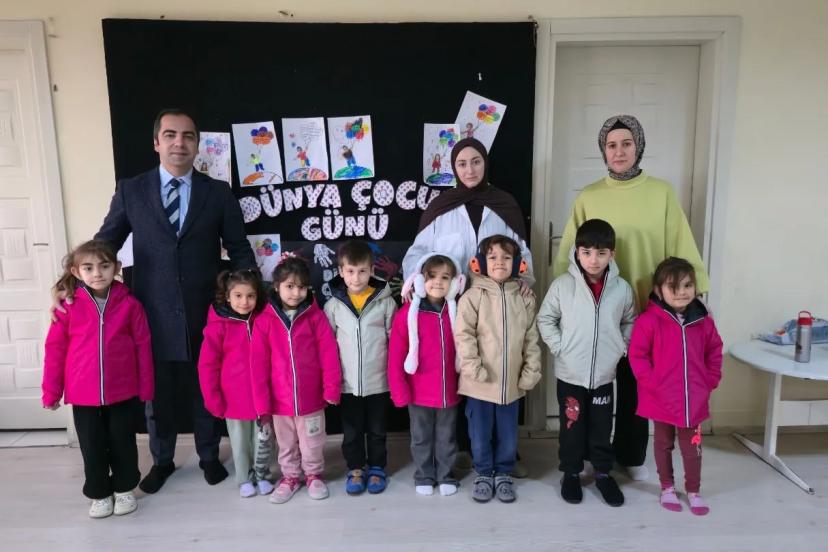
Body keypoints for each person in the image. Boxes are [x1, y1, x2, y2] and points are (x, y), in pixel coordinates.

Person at [83, 108, 256, 494]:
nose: (180, 142)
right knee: (156, 395)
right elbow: (104, 244)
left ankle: (209, 456)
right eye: (171, 135)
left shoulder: (217, 193)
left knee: (205, 386)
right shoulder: (132, 190)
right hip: (150, 313)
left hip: (207, 312)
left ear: (197, 144)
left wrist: (253, 297)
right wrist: (73, 285)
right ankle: (162, 460)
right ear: (156, 142)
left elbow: (240, 248)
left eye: (188, 136)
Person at [552, 114, 709, 481]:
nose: (619, 151)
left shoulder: (661, 193)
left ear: (638, 147)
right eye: (611, 145)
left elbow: (681, 245)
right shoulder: (589, 196)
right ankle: (588, 453)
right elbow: (569, 253)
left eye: (626, 144)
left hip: (649, 309)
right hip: (598, 309)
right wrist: (563, 301)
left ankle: (630, 455)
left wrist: (692, 290)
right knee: (593, 385)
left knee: (637, 385)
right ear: (603, 151)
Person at [402, 137, 534, 476]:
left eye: (476, 161)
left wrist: (523, 280)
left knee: (496, 374)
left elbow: (521, 253)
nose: (470, 169)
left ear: (485, 164)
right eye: (462, 163)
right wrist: (419, 283)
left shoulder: (504, 204)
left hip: (496, 309)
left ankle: (503, 453)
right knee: (457, 376)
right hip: (448, 310)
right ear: (453, 168)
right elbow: (417, 255)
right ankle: (462, 449)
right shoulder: (440, 207)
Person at [42, 240, 154, 518]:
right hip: (83, 394)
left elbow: (143, 346)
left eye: (104, 266)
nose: (97, 273)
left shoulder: (130, 305)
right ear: (76, 271)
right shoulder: (67, 307)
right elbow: (55, 351)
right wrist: (51, 391)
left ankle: (124, 489)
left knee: (123, 443)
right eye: (89, 268)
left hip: (122, 391)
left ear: (116, 267)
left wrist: (146, 387)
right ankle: (99, 493)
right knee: (92, 446)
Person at [537, 220, 636, 507]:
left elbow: (630, 320)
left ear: (612, 255)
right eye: (587, 252)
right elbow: (546, 319)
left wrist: (621, 347)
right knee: (572, 427)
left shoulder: (621, 289)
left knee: (602, 427)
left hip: (604, 374)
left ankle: (603, 472)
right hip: (570, 374)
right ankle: (571, 472)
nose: (594, 260)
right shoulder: (562, 286)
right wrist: (560, 348)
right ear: (577, 252)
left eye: (601, 253)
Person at [628, 257, 723, 516]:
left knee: (692, 448)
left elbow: (715, 350)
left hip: (693, 399)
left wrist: (711, 379)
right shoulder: (649, 321)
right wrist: (653, 383)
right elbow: (637, 355)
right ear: (658, 290)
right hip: (661, 399)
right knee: (663, 444)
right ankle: (667, 487)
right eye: (673, 287)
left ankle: (693, 491)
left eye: (688, 285)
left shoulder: (703, 321)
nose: (682, 292)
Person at [454, 235, 542, 503]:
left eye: (506, 257)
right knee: (479, 434)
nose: (499, 262)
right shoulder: (472, 296)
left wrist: (531, 370)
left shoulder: (524, 298)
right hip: (479, 383)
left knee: (508, 434)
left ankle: (503, 472)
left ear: (518, 263)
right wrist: (473, 368)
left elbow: (531, 338)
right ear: (480, 263)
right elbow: (464, 335)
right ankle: (483, 472)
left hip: (511, 385)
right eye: (492, 257)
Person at [250, 257, 342, 504]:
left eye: (301, 287)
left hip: (311, 399)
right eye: (289, 286)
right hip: (279, 402)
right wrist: (262, 404)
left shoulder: (315, 317)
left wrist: (331, 388)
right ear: (276, 286)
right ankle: (290, 477)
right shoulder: (264, 321)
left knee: (313, 442)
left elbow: (329, 354)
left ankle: (314, 475)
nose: (296, 293)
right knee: (286, 444)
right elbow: (258, 366)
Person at [323, 240, 397, 495]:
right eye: (351, 271)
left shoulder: (385, 302)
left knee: (377, 430)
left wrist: (394, 376)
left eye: (362, 271)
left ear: (372, 270)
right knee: (352, 431)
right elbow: (327, 347)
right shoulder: (333, 306)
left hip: (378, 381)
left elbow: (394, 340)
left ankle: (377, 468)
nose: (356, 278)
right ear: (341, 272)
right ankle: (355, 468)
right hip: (348, 383)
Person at [388, 253, 464, 497]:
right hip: (418, 392)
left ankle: (446, 475)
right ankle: (424, 475)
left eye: (445, 277)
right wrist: (399, 390)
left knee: (447, 437)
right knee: (421, 438)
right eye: (431, 276)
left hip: (448, 391)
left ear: (455, 283)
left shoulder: (457, 313)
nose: (438, 282)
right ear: (420, 280)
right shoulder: (407, 314)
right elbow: (395, 356)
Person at [198, 268, 275, 499]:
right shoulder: (218, 327)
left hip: (263, 396)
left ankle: (262, 475)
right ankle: (244, 479)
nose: (244, 302)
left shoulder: (264, 320)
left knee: (263, 441)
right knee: (240, 443)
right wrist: (213, 400)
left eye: (250, 296)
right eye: (238, 296)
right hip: (234, 399)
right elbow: (207, 366)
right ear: (227, 297)